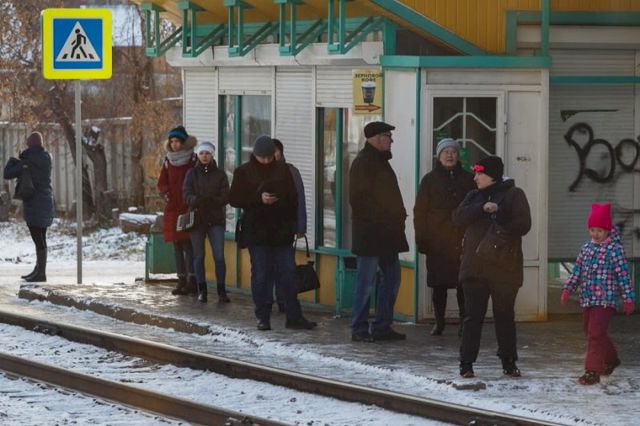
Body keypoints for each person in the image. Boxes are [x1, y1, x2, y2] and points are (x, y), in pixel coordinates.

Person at [453, 155, 531, 378]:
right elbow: (457, 217)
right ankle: (466, 363)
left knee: (504, 315)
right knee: (472, 317)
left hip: (504, 267)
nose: (475, 177)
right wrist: (482, 208)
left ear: (492, 176)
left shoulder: (514, 194)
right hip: (475, 267)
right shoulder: (473, 196)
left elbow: (524, 224)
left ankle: (509, 361)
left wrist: (498, 212)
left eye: (480, 173)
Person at [229, 135, 316, 331]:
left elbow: (294, 199)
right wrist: (258, 199)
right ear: (255, 155)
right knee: (261, 274)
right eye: (263, 157)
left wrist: (293, 222)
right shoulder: (243, 172)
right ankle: (263, 316)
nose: (267, 161)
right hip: (257, 232)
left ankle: (293, 316)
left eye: (270, 157)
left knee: (288, 273)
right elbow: (234, 198)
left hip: (281, 231)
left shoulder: (284, 171)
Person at [561, 203, 635, 385]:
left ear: (607, 231)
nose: (595, 234)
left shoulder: (614, 250)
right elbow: (577, 272)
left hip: (605, 300)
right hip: (588, 298)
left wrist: (628, 298)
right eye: (592, 230)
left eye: (600, 231)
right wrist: (567, 289)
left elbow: (623, 276)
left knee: (595, 333)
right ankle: (611, 358)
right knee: (590, 330)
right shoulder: (586, 248)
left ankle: (592, 371)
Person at [349, 121, 409, 342]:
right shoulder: (363, 163)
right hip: (371, 234)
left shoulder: (381, 162)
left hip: (388, 234)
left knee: (392, 279)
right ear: (376, 138)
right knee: (366, 282)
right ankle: (359, 328)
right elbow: (359, 200)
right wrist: (386, 218)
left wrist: (398, 216)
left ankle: (383, 326)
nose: (391, 140)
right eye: (388, 136)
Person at [414, 138, 475, 336]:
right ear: (438, 155)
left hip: (461, 239)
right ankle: (439, 321)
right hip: (437, 239)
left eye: (453, 152)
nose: (450, 155)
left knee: (463, 283)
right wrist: (422, 237)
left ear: (458, 156)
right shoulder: (429, 180)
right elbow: (420, 211)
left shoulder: (468, 179)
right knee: (438, 284)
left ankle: (465, 322)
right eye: (445, 152)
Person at [183, 141, 230, 304]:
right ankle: (202, 290)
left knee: (219, 256)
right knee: (199, 256)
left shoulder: (220, 174)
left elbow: (226, 195)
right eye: (202, 153)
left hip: (215, 220)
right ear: (197, 155)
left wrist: (212, 201)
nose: (204, 156)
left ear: (212, 155)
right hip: (197, 220)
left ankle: (221, 290)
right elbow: (186, 194)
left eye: (207, 153)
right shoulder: (191, 174)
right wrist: (197, 200)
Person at [3, 131, 54, 282]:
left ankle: (41, 273)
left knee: (38, 239)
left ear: (30, 144)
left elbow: (7, 174)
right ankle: (39, 270)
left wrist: (13, 160)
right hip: (46, 201)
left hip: (33, 203)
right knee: (41, 238)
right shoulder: (47, 159)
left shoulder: (27, 161)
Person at [157, 125, 197, 296]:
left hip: (188, 207)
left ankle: (192, 280)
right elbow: (162, 182)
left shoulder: (193, 160)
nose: (174, 145)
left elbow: (198, 181)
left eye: (177, 141)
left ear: (184, 142)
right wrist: (165, 193)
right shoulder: (168, 161)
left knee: (189, 245)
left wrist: (193, 199)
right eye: (172, 141)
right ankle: (180, 279)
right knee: (176, 246)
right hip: (173, 207)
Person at [270, 138, 307, 313]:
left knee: (285, 265)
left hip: (285, 226)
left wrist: (301, 226)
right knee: (268, 266)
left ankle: (285, 299)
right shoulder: (257, 172)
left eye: (275, 151)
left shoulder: (291, 171)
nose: (272, 155)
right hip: (264, 228)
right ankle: (271, 300)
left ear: (281, 152)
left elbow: (300, 199)